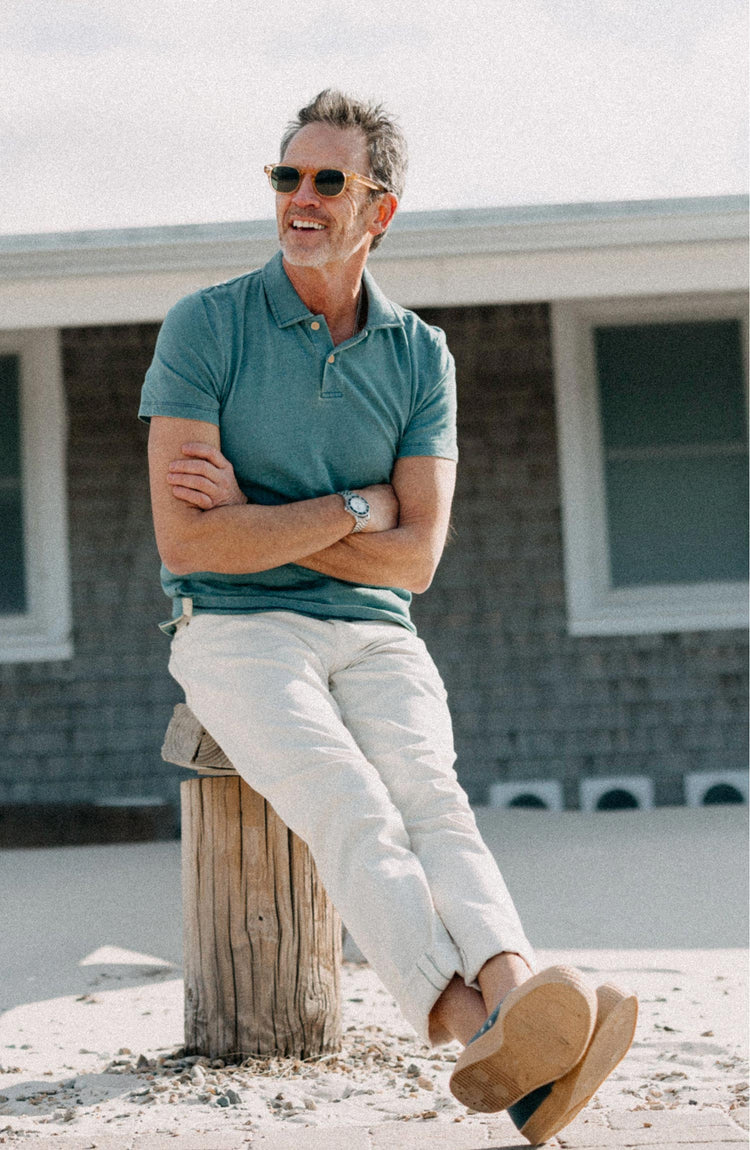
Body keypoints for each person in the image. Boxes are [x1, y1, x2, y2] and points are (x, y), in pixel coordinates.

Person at [139, 89, 636, 1140]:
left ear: (382, 209)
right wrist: (359, 506)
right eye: (287, 177)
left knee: (432, 798)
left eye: (330, 181)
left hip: (373, 626)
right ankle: (480, 1029)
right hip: (233, 626)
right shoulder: (207, 326)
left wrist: (268, 513)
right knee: (352, 802)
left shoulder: (420, 357)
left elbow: (414, 560)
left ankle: (516, 998)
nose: (301, 200)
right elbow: (191, 545)